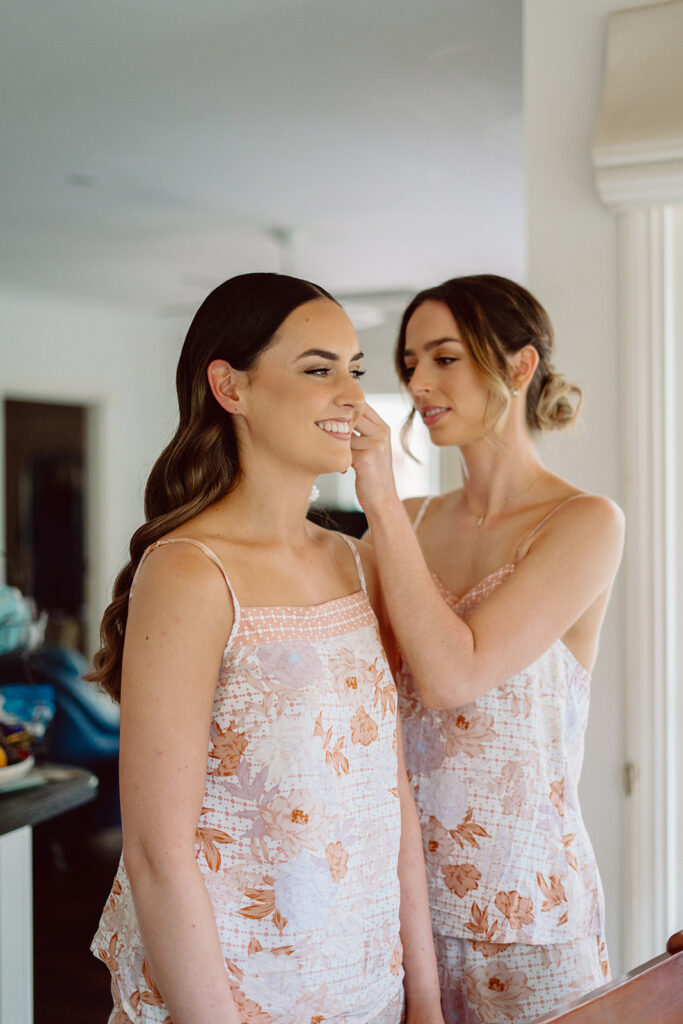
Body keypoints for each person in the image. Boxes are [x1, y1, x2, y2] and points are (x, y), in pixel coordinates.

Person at [87, 273, 444, 1024]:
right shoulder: (189, 570)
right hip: (239, 999)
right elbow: (157, 856)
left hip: (367, 992)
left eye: (355, 369)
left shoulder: (355, 560)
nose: (350, 394)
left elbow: (391, 794)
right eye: (318, 370)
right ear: (230, 387)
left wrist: (423, 999)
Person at [350, 274, 624, 1024]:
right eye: (408, 363)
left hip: (529, 913)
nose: (417, 382)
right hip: (395, 905)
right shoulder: (404, 521)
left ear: (517, 366)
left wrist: (377, 499)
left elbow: (449, 676)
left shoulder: (584, 523)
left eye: (444, 358)